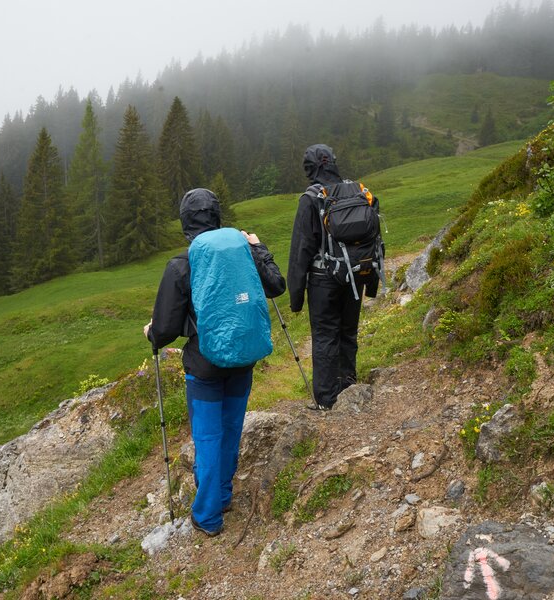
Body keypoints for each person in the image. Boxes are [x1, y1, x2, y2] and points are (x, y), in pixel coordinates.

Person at [145, 188, 285, 536]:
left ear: (186, 224)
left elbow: (164, 329)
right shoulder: (245, 252)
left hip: (204, 365)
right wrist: (257, 247)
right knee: (231, 429)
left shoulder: (183, 264)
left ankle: (207, 516)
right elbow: (277, 286)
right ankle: (222, 494)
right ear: (218, 217)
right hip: (243, 357)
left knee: (207, 438)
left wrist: (151, 333)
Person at [287, 144, 381, 410]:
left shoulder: (311, 198)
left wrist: (296, 297)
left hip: (323, 279)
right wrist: (371, 284)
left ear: (310, 168)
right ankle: (349, 387)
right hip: (355, 276)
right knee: (348, 331)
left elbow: (301, 251)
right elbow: (374, 241)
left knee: (325, 335)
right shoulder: (360, 191)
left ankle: (327, 401)